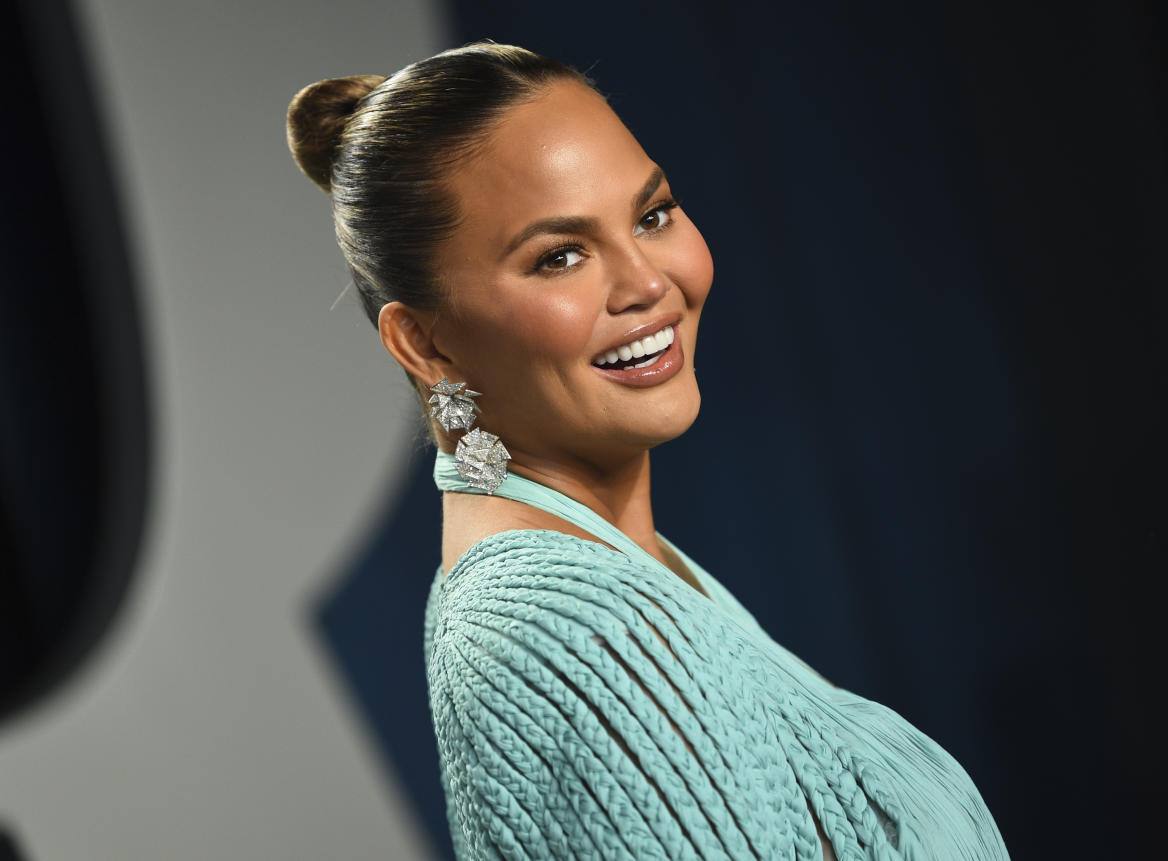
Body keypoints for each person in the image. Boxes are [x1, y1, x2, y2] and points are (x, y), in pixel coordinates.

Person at [287, 42, 1008, 860]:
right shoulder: (563, 628)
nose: (646, 283)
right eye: (560, 256)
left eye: (652, 214)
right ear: (426, 343)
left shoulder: (610, 568)